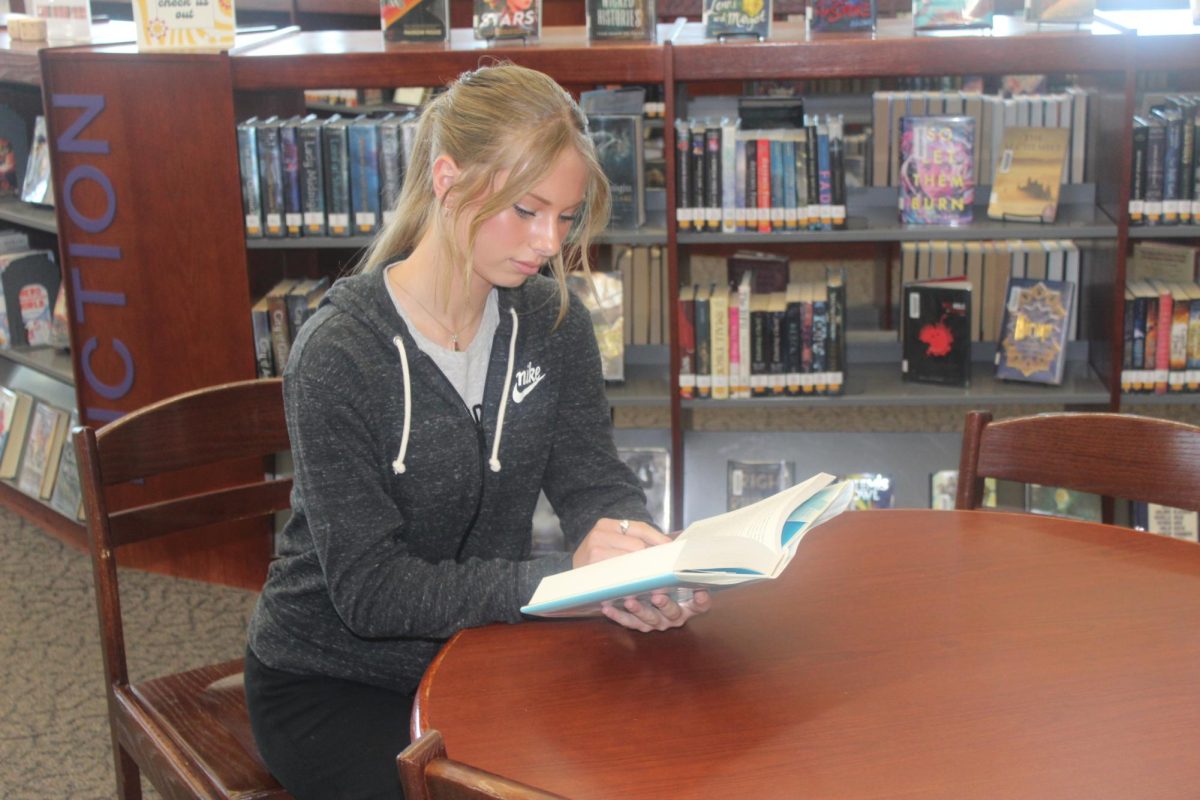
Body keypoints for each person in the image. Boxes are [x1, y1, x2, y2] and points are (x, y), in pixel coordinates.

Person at [244, 62, 711, 800]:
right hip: (333, 679)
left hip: (483, 650)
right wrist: (563, 586)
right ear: (448, 179)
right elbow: (370, 593)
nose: (548, 241)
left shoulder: (553, 325)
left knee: (657, 749)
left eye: (565, 216)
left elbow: (594, 480)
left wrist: (637, 570)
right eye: (527, 210)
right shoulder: (339, 354)